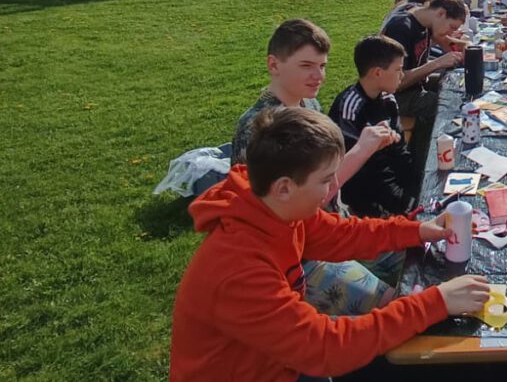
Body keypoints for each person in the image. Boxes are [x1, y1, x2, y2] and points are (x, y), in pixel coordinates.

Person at [171, 107, 490, 382]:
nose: (334, 188)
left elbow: (343, 234)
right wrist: (436, 302)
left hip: (281, 362)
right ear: (284, 188)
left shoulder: (276, 209)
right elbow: (324, 348)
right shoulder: (238, 270)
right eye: (325, 180)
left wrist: (418, 230)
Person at [230, 19, 401, 316]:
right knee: (395, 303)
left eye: (322, 66)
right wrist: (361, 150)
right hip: (301, 255)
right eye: (306, 66)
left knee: (417, 257)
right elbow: (292, 208)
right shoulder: (259, 129)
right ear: (274, 65)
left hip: (336, 226)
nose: (318, 75)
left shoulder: (309, 106)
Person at [328, 35, 415, 218]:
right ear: (377, 73)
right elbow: (364, 174)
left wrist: (416, 185)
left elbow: (400, 151)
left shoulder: (388, 99)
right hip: (364, 198)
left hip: (389, 187)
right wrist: (406, 204)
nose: (402, 75)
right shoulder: (351, 108)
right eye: (398, 69)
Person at [381, 0, 466, 171]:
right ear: (441, 13)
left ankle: (433, 153)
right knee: (445, 105)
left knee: (456, 85)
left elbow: (446, 41)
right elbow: (396, 83)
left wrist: (464, 47)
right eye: (451, 27)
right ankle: (424, 167)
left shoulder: (425, 21)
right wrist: (437, 64)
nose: (449, 32)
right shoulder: (402, 28)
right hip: (394, 96)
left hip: (414, 86)